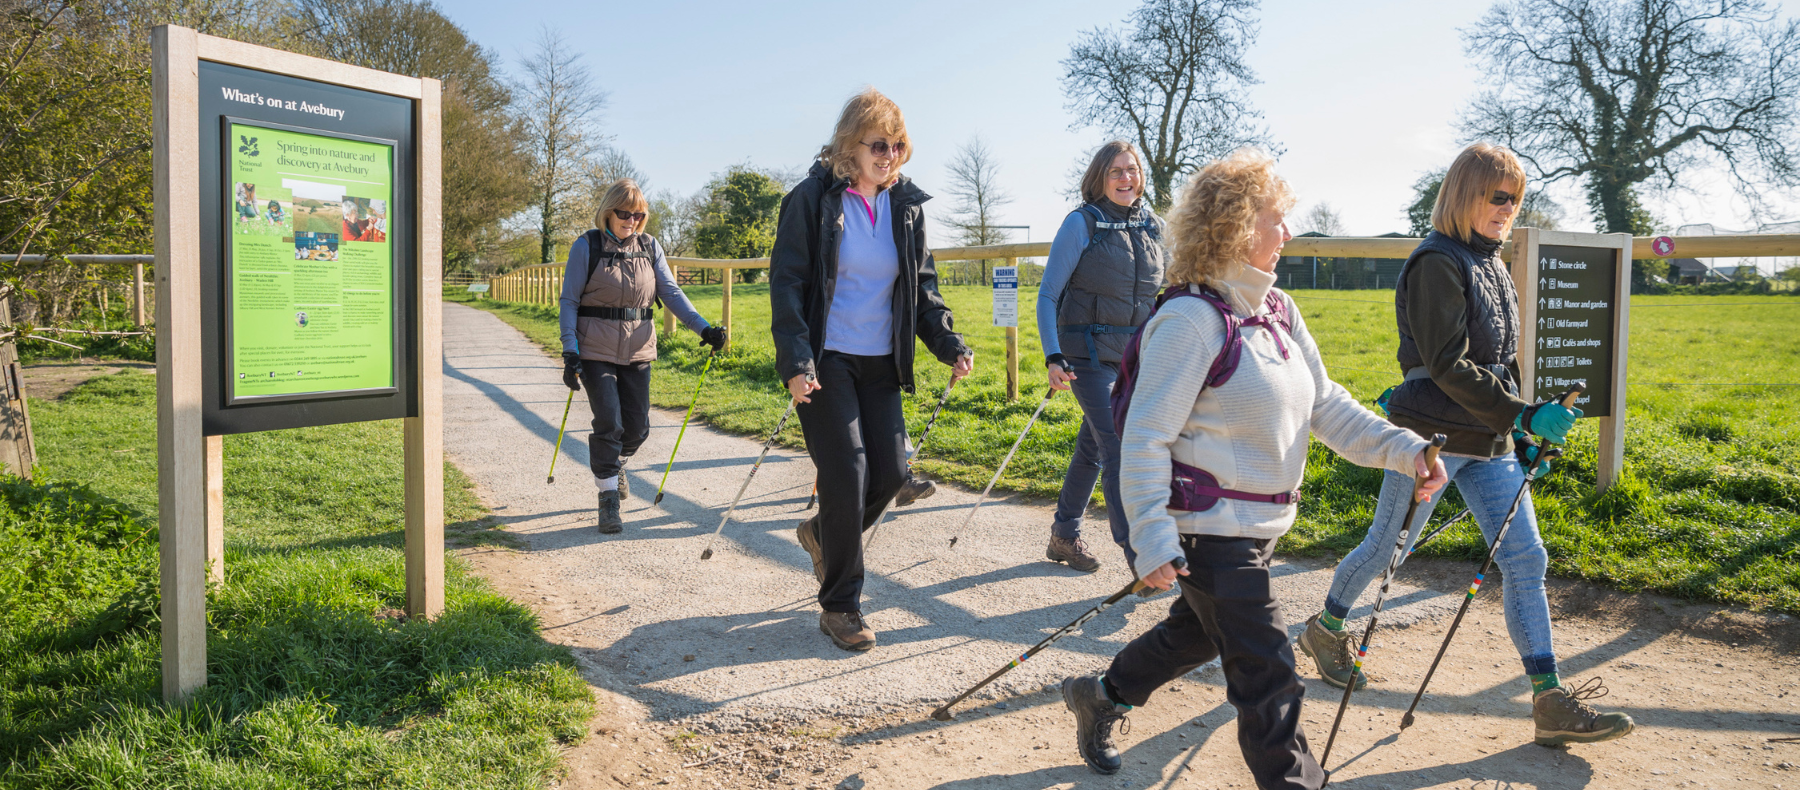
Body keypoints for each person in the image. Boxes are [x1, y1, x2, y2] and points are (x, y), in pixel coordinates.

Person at [1058, 148, 1448, 786]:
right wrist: (1152, 537)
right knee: (1268, 671)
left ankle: (1102, 694)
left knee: (1199, 634)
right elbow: (1145, 438)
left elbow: (1327, 404)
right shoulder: (1189, 321)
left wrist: (1404, 451)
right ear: (1238, 225)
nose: (1288, 232)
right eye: (1277, 217)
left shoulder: (1279, 312)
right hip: (1208, 530)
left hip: (1254, 531)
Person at [1297, 143, 1634, 747]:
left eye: (1516, 198)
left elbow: (1501, 365)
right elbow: (1448, 365)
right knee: (1387, 549)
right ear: (1465, 195)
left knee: (1526, 559)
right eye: (1497, 197)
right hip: (1432, 436)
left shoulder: (1493, 262)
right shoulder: (1437, 262)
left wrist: (1520, 431)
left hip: (1490, 439)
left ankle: (1548, 700)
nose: (1509, 208)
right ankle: (1325, 628)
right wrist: (1523, 414)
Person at [770, 88, 973, 652]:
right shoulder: (812, 200)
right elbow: (787, 284)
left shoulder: (905, 207)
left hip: (882, 361)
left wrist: (949, 342)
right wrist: (795, 360)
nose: (889, 155)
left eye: (898, 145)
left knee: (889, 476)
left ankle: (820, 535)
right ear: (849, 146)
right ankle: (840, 605)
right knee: (848, 473)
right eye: (878, 144)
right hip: (826, 360)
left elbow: (922, 289)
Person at [558, 178, 727, 533]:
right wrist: (570, 351)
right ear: (608, 211)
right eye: (624, 213)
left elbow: (672, 293)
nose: (631, 220)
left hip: (638, 349)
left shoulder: (650, 247)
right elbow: (569, 301)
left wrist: (705, 329)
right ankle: (607, 502)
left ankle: (616, 464)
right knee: (609, 421)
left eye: (638, 214)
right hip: (594, 350)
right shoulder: (586, 246)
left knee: (637, 428)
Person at [1036, 140, 1166, 575]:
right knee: (1118, 446)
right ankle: (1141, 560)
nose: (1126, 178)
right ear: (1099, 179)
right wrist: (1053, 355)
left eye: (1132, 170)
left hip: (1136, 357)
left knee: (1092, 445)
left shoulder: (1155, 228)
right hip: (1085, 354)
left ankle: (1063, 534)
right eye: (1116, 172)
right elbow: (1048, 293)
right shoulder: (1081, 223)